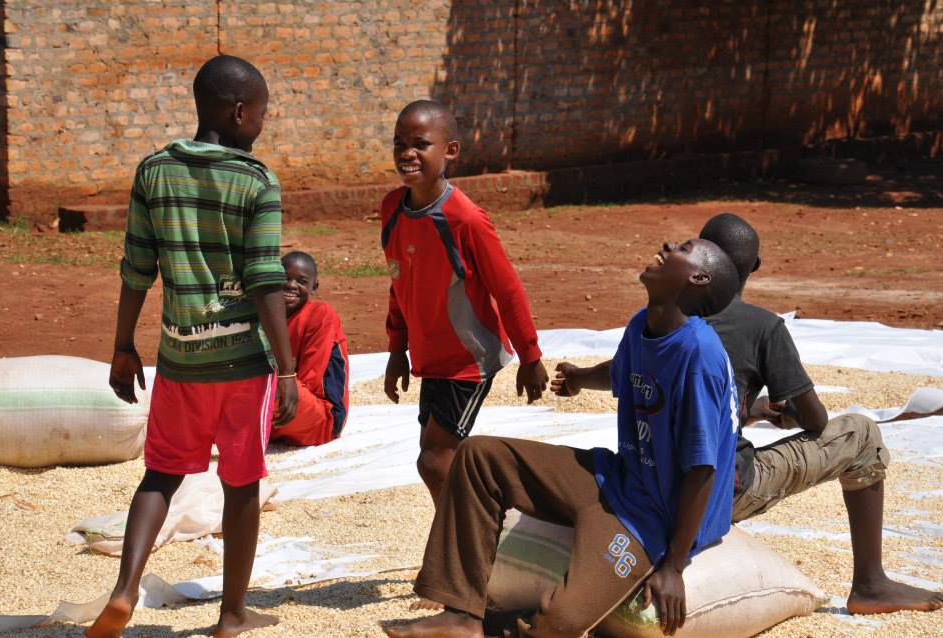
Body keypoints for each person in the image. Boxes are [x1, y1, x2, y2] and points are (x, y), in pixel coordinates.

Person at [386, 238, 740, 638]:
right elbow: (624, 370)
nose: (667, 244)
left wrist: (674, 566)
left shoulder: (699, 355)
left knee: (560, 622)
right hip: (620, 477)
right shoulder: (644, 324)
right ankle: (462, 615)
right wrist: (581, 378)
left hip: (655, 517)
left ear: (698, 277)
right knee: (479, 456)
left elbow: (702, 469)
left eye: (684, 247)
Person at [86, 55, 297, 638]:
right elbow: (263, 278)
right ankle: (232, 615)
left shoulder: (153, 171)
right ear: (237, 112)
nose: (261, 122)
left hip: (180, 360)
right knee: (241, 485)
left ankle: (126, 589)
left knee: (160, 475)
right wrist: (285, 369)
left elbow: (137, 268)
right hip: (243, 366)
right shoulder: (256, 181)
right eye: (260, 112)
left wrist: (123, 345)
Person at [698, 212, 943, 615]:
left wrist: (755, 408)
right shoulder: (761, 326)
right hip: (724, 491)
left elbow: (687, 405)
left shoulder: (659, 319)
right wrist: (791, 410)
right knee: (862, 434)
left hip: (658, 484)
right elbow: (815, 420)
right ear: (756, 267)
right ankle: (871, 584)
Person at [380, 99, 549, 505]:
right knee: (439, 457)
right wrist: (396, 350)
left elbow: (506, 290)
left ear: (450, 151)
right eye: (399, 143)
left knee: (434, 462)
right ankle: (467, 539)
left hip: (466, 361)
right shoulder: (392, 210)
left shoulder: (466, 220)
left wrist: (530, 355)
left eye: (421, 143)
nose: (407, 153)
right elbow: (398, 283)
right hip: (429, 357)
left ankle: (462, 547)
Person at [271, 251, 350, 446]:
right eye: (285, 278)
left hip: (320, 417)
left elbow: (310, 382)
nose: (291, 285)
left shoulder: (320, 315)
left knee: (263, 382)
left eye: (301, 281)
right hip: (279, 410)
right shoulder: (267, 315)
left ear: (314, 287)